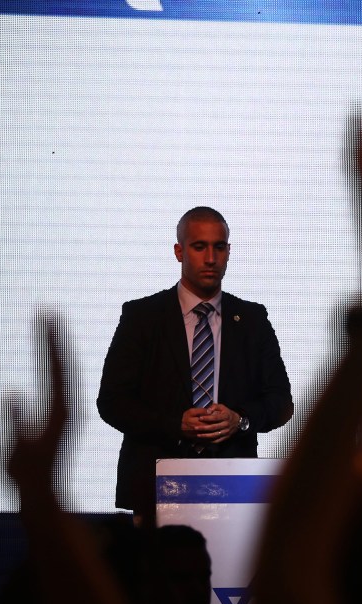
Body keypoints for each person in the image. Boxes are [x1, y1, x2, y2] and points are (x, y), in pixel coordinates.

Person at [97, 207, 294, 518]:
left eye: (219, 247)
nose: (211, 258)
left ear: (228, 252)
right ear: (179, 251)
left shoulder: (253, 320)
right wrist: (175, 425)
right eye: (199, 246)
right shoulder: (142, 317)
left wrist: (239, 420)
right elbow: (112, 401)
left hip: (233, 487)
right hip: (156, 485)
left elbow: (281, 402)